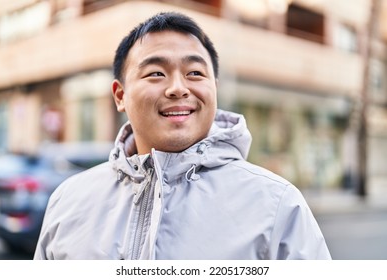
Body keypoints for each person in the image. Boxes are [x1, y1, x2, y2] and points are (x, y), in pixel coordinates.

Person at [34, 11, 331, 260]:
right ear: (120, 95)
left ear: (214, 87)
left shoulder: (277, 203)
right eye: (156, 74)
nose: (178, 88)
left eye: (194, 74)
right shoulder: (68, 199)